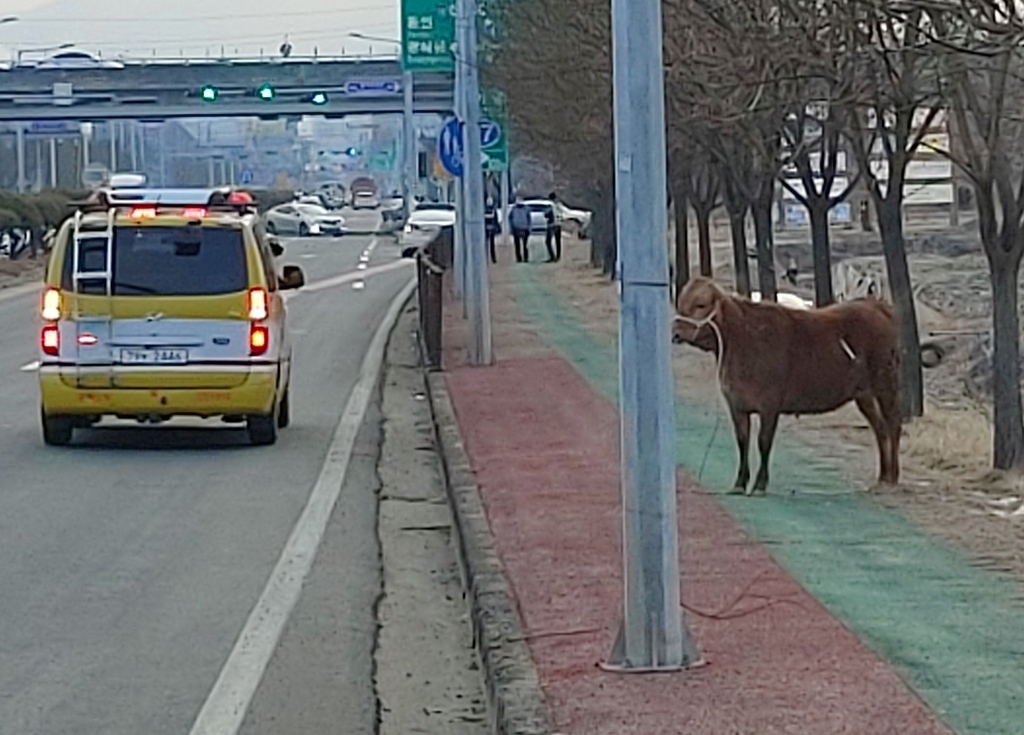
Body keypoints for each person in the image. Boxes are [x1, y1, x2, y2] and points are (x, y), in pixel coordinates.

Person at [544, 192, 563, 262]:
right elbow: (562, 214)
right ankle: (558, 256)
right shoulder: (559, 205)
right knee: (558, 241)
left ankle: (552, 256)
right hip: (558, 224)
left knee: (548, 241)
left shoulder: (550, 206)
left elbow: (546, 215)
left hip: (551, 225)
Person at [485, 198, 499, 264]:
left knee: (491, 245)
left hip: (490, 229)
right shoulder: (485, 211)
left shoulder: (493, 211)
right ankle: (490, 258)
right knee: (489, 245)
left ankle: (492, 258)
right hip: (487, 230)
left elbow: (496, 221)